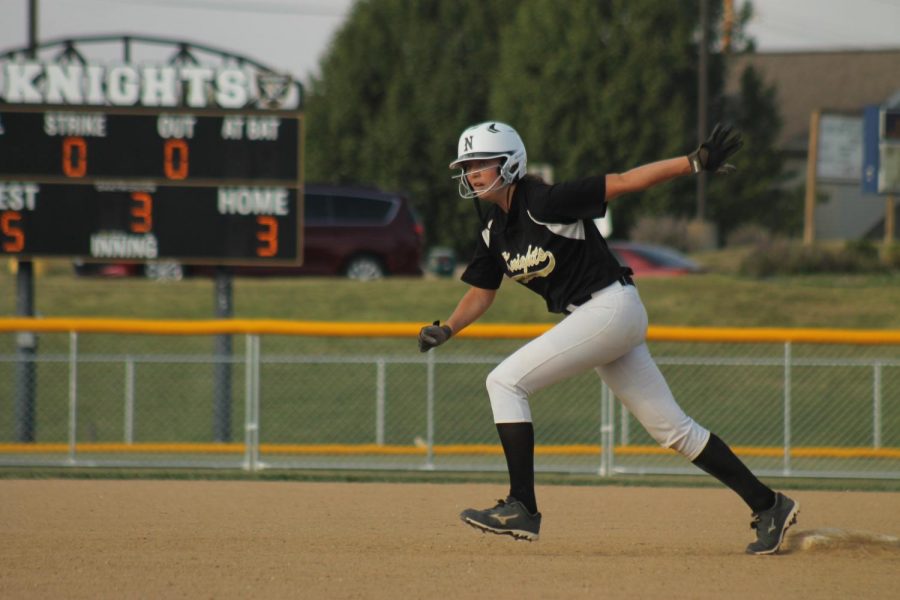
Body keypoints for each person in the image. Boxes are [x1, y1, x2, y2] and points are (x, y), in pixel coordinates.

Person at [417, 121, 799, 555]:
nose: (472, 173)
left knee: (504, 382)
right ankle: (769, 505)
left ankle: (522, 506)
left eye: (481, 163)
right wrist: (448, 327)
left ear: (510, 163)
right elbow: (482, 291)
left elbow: (622, 182)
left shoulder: (543, 200)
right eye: (467, 166)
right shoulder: (491, 222)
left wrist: (693, 163)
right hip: (602, 317)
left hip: (609, 307)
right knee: (673, 430)